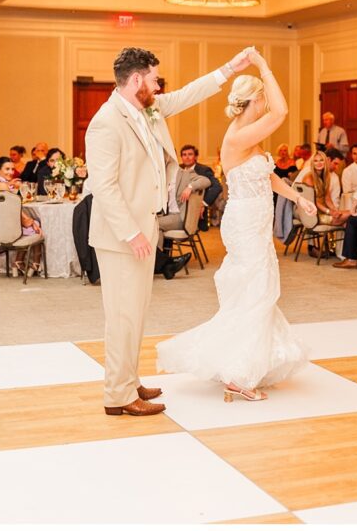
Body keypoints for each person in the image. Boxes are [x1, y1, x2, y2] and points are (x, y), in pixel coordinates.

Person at [86, 45, 251, 416]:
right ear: (136, 79)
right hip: (120, 235)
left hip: (145, 224)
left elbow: (189, 93)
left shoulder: (149, 107)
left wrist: (228, 68)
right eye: (155, 79)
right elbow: (105, 186)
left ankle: (128, 379)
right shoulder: (106, 122)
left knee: (136, 311)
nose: (160, 86)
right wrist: (131, 233)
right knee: (122, 315)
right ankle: (118, 395)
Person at [157, 48, 314, 401]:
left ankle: (247, 364)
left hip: (255, 220)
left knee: (256, 292)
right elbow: (283, 111)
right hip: (244, 223)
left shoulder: (250, 136)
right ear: (256, 100)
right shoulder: (238, 136)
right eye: (262, 97)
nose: (266, 104)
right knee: (257, 291)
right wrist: (263, 66)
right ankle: (239, 375)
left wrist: (296, 197)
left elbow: (268, 177)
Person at [0, 156, 42, 276]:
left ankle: (18, 263)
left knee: (34, 224)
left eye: (12, 169)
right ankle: (33, 263)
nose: (11, 172)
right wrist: (28, 220)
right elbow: (13, 209)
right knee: (37, 227)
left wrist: (10, 184)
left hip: (1, 225)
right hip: (5, 228)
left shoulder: (0, 184)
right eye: (7, 169)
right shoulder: (2, 185)